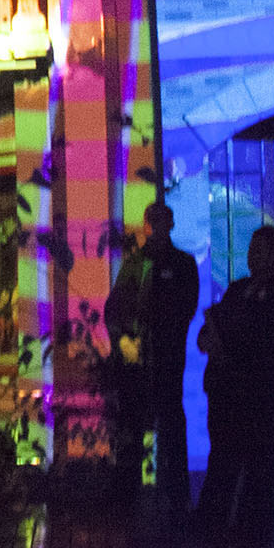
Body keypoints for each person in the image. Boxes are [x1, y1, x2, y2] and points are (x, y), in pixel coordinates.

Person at [196, 224, 274, 540]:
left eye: (259, 249)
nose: (252, 255)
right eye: (251, 248)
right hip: (229, 387)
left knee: (262, 460)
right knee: (224, 454)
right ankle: (214, 516)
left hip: (263, 390)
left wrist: (224, 332)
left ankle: (253, 524)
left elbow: (262, 334)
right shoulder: (237, 288)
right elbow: (218, 325)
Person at [103, 201, 200, 512]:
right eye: (153, 221)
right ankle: (129, 495)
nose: (157, 227)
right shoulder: (136, 263)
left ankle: (175, 497)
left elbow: (184, 310)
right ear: (147, 225)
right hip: (139, 359)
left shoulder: (182, 264)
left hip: (166, 357)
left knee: (169, 425)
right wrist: (122, 340)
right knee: (134, 425)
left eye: (162, 221)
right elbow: (114, 307)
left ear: (169, 224)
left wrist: (135, 334)